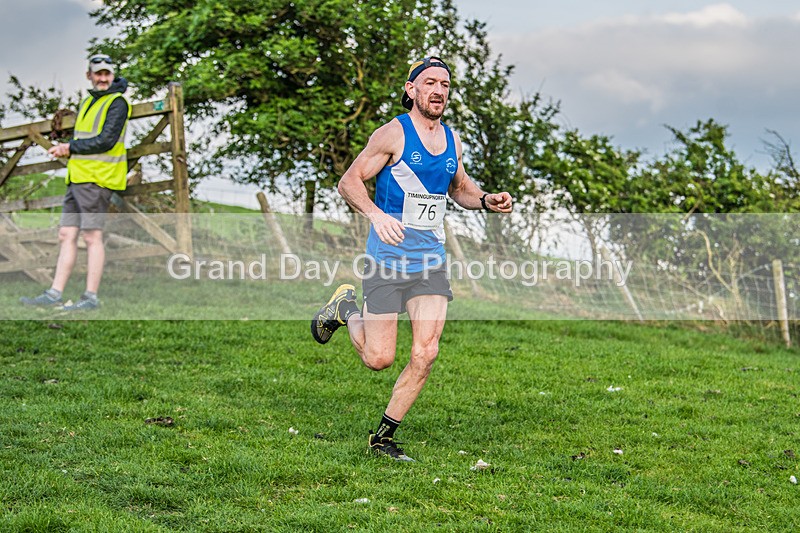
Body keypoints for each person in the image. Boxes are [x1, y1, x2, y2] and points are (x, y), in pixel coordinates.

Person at [310, 56, 513, 462]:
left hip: (430, 262)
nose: (438, 91)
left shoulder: (452, 140)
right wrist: (376, 215)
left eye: (445, 85)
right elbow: (348, 181)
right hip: (387, 259)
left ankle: (382, 438)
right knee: (378, 359)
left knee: (426, 352)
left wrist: (487, 200)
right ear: (411, 89)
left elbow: (460, 187)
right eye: (430, 83)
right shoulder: (392, 134)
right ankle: (346, 310)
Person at [20, 54, 131, 311]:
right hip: (78, 177)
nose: (103, 78)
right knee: (66, 234)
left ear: (113, 75)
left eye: (107, 74)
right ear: (89, 75)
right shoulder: (88, 101)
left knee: (92, 236)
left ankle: (90, 297)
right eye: (98, 73)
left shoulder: (118, 102)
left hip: (97, 178)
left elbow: (106, 141)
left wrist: (68, 148)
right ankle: (54, 293)